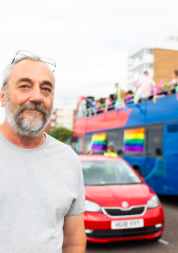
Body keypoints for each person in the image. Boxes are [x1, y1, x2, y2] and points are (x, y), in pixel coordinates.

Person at [0, 53, 86, 253]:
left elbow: (73, 240)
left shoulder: (68, 159)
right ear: (2, 96)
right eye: (24, 86)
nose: (37, 97)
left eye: (46, 89)